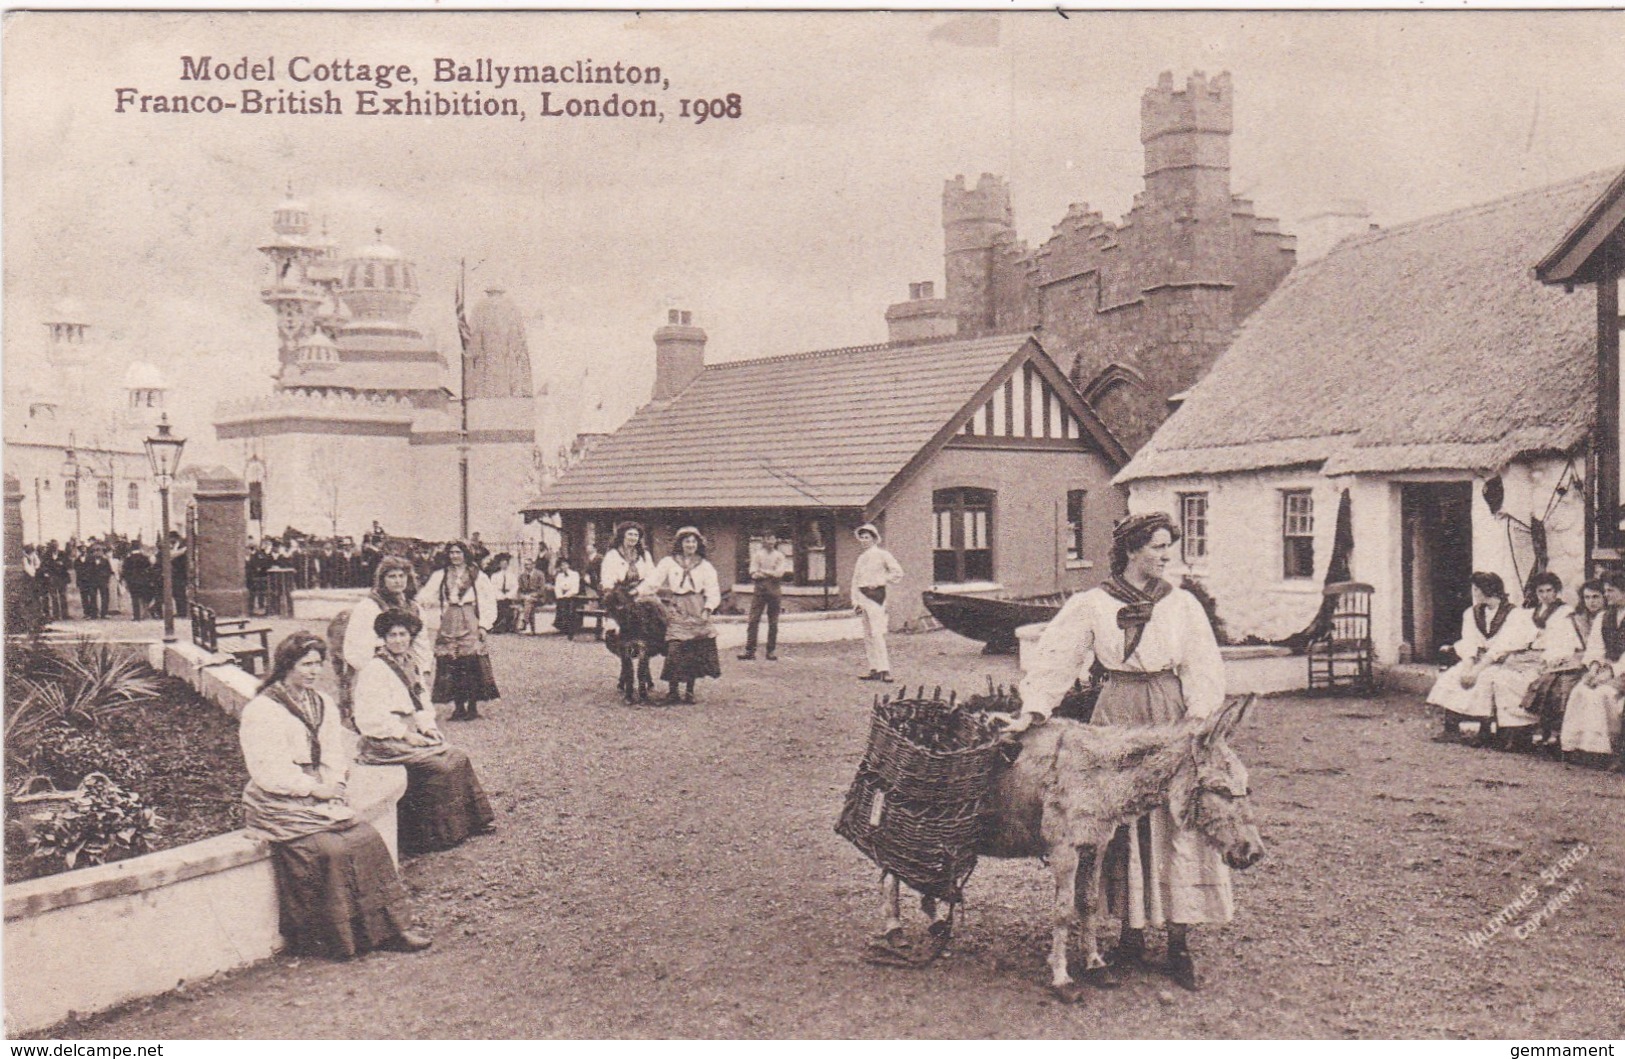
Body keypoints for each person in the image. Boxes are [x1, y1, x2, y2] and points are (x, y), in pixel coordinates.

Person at [998, 512, 1228, 993]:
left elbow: (1203, 666)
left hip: (1170, 712)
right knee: (1117, 831)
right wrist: (1034, 710)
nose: (1166, 556)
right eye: (1157, 547)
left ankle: (1179, 941)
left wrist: (1197, 722)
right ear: (1130, 550)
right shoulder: (1092, 604)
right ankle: (1129, 934)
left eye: (1170, 547)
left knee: (1175, 823)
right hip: (1115, 714)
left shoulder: (1182, 605)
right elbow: (1057, 656)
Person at [238, 632, 431, 958]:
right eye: (305, 664)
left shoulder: (320, 702)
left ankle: (391, 928)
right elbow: (267, 770)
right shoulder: (263, 709)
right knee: (328, 849)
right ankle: (336, 937)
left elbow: (333, 753)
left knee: (367, 837)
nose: (313, 671)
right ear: (287, 665)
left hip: (319, 792)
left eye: (318, 664)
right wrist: (313, 789)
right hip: (277, 798)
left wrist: (337, 786)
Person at [352, 609, 496, 853]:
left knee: (457, 756)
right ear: (383, 639)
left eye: (403, 634)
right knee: (439, 766)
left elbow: (421, 702)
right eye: (392, 635)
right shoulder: (374, 670)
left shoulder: (410, 664)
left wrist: (428, 728)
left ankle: (469, 823)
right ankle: (436, 836)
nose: (398, 640)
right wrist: (406, 734)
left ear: (410, 637)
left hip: (408, 732)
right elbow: (369, 718)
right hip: (383, 740)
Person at [1426, 572, 1515, 744]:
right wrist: (1468, 667)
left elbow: (1503, 646)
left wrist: (1477, 671)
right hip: (1476, 659)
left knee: (1484, 680)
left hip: (1500, 661)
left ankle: (1485, 731)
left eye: (1476, 589)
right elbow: (1469, 642)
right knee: (1454, 675)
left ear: (1488, 590)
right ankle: (1451, 728)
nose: (1474, 593)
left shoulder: (1512, 614)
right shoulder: (1472, 613)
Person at [639, 526, 722, 704]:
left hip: (698, 606)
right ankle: (673, 691)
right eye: (686, 541)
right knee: (675, 647)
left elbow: (713, 589)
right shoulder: (669, 562)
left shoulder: (705, 565)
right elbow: (653, 582)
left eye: (693, 541)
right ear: (680, 544)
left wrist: (708, 608)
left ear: (698, 544)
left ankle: (690, 692)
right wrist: (637, 593)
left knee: (694, 648)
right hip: (677, 607)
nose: (690, 545)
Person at [340, 556, 433, 714]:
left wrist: (423, 670)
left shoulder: (414, 608)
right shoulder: (369, 607)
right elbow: (356, 646)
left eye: (401, 576)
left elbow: (421, 643)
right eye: (392, 576)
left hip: (408, 668)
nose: (398, 581)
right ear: (382, 580)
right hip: (379, 671)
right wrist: (373, 671)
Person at [420, 541, 500, 721]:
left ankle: (472, 706)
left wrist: (484, 625)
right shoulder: (441, 575)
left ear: (466, 554)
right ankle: (458, 707)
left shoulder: (477, 575)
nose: (455, 556)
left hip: (470, 617)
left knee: (471, 663)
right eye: (452, 553)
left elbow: (489, 601)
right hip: (450, 618)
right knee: (451, 661)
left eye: (458, 552)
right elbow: (425, 595)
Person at [1517, 574, 1593, 752]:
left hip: (1557, 654)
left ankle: (1553, 732)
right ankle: (1526, 730)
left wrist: (1549, 658)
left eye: (1549, 591)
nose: (1545, 595)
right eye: (1540, 591)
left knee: (1553, 682)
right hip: (1534, 654)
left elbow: (1566, 641)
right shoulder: (1534, 612)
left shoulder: (1564, 612)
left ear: (1556, 591)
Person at [1560, 571, 1625, 766]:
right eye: (1605, 591)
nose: (1607, 595)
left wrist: (1609, 674)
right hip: (1605, 667)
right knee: (1581, 691)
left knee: (1603, 694)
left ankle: (1605, 750)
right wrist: (1593, 669)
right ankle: (1579, 746)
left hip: (1621, 670)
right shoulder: (1604, 617)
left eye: (1610, 591)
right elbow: (1596, 647)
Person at [851, 523, 903, 683]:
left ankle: (885, 669)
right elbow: (855, 580)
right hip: (863, 597)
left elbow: (898, 573)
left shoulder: (882, 555)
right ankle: (874, 668)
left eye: (867, 537)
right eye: (862, 537)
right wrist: (856, 602)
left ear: (874, 539)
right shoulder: (861, 558)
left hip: (876, 597)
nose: (864, 540)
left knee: (877, 633)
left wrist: (880, 581)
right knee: (867, 634)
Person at [739, 528, 792, 662]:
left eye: (772, 538)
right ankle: (750, 651)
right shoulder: (758, 555)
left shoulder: (780, 556)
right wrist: (769, 572)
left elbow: (779, 574)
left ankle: (771, 651)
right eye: (767, 538)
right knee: (753, 620)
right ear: (763, 540)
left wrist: (762, 571)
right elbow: (753, 572)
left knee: (773, 622)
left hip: (774, 590)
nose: (770, 541)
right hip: (760, 590)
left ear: (776, 540)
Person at [598, 523, 656, 638]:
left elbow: (652, 576)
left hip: (640, 590)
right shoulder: (613, 555)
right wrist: (612, 592)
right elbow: (607, 577)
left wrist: (640, 589)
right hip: (620, 590)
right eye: (630, 534)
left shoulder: (644, 555)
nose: (633, 537)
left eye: (636, 535)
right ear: (622, 536)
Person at [75, 544, 113, 620]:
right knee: (93, 597)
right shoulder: (89, 561)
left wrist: (105, 578)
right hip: (92, 581)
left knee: (105, 597)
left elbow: (109, 571)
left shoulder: (105, 560)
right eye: (95, 551)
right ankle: (94, 614)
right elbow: (86, 571)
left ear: (102, 552)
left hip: (103, 581)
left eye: (99, 550)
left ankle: (104, 613)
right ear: (92, 552)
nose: (97, 552)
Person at [517, 556, 551, 634]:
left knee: (529, 602)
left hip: (539, 597)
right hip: (526, 598)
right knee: (529, 603)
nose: (527, 566)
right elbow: (520, 589)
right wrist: (523, 596)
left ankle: (525, 622)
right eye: (525, 565)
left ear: (533, 565)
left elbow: (542, 589)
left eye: (528, 564)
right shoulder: (522, 576)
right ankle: (532, 629)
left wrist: (532, 595)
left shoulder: (540, 574)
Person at [121, 544, 156, 620]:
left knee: (135, 599)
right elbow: (150, 570)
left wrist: (126, 581)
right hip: (144, 581)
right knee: (145, 598)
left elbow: (124, 572)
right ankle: (145, 614)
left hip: (132, 582)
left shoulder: (128, 559)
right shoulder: (145, 558)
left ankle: (137, 616)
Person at [488, 554, 521, 634]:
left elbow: (515, 586)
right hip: (499, 596)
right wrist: (500, 595)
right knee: (500, 606)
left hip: (509, 596)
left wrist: (508, 595)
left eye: (505, 564)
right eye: (502, 563)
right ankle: (500, 626)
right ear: (499, 565)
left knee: (507, 605)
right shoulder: (495, 576)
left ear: (508, 564)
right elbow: (493, 587)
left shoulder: (512, 575)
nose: (504, 565)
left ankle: (509, 626)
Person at [551, 558, 583, 637]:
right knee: (560, 604)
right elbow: (557, 587)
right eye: (562, 565)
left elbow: (575, 588)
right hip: (562, 595)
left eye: (565, 564)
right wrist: (559, 596)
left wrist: (567, 595)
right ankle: (561, 626)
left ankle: (569, 627)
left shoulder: (575, 574)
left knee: (569, 604)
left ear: (568, 565)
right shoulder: (559, 575)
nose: (563, 567)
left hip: (572, 595)